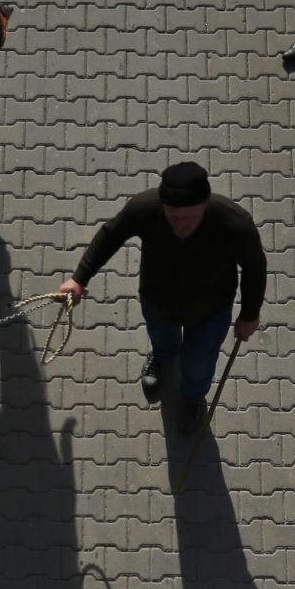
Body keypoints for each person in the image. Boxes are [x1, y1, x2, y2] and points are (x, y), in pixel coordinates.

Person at [58, 161, 266, 434]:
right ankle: (162, 358)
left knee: (199, 365)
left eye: (189, 216)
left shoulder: (235, 224)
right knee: (163, 341)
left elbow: (255, 268)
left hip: (210, 311)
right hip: (157, 302)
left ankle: (192, 400)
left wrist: (249, 315)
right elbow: (111, 235)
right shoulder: (145, 208)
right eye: (173, 216)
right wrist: (79, 278)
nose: (181, 224)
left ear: (205, 204)